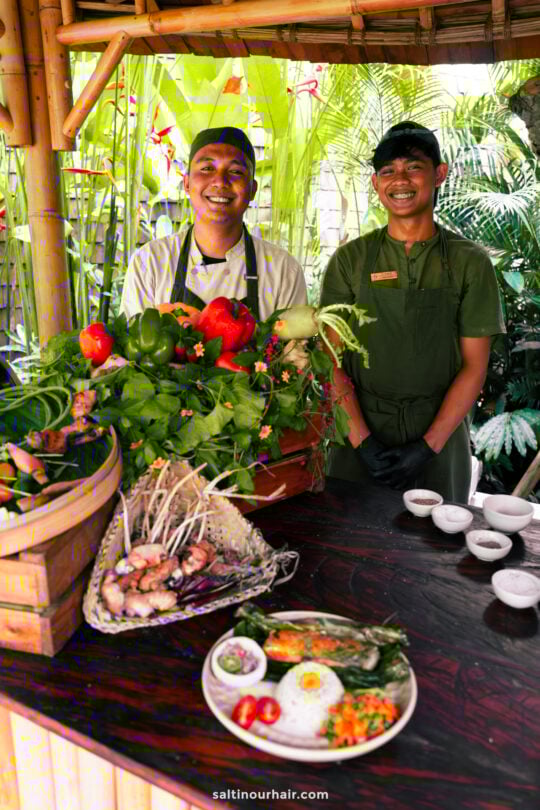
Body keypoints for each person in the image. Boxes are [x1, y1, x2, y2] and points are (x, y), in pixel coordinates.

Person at [320, 122, 506, 502]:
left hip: (440, 436)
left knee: (437, 553)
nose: (399, 180)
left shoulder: (470, 263)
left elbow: (475, 366)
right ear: (375, 183)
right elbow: (329, 360)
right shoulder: (350, 261)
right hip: (359, 432)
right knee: (348, 543)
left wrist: (428, 445)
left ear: (439, 173)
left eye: (413, 167)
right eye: (387, 171)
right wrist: (363, 441)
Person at [120, 127, 307, 322]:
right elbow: (132, 344)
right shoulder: (150, 263)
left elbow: (294, 350)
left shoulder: (283, 271)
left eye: (235, 171)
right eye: (207, 169)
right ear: (187, 184)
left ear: (252, 190)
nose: (220, 181)